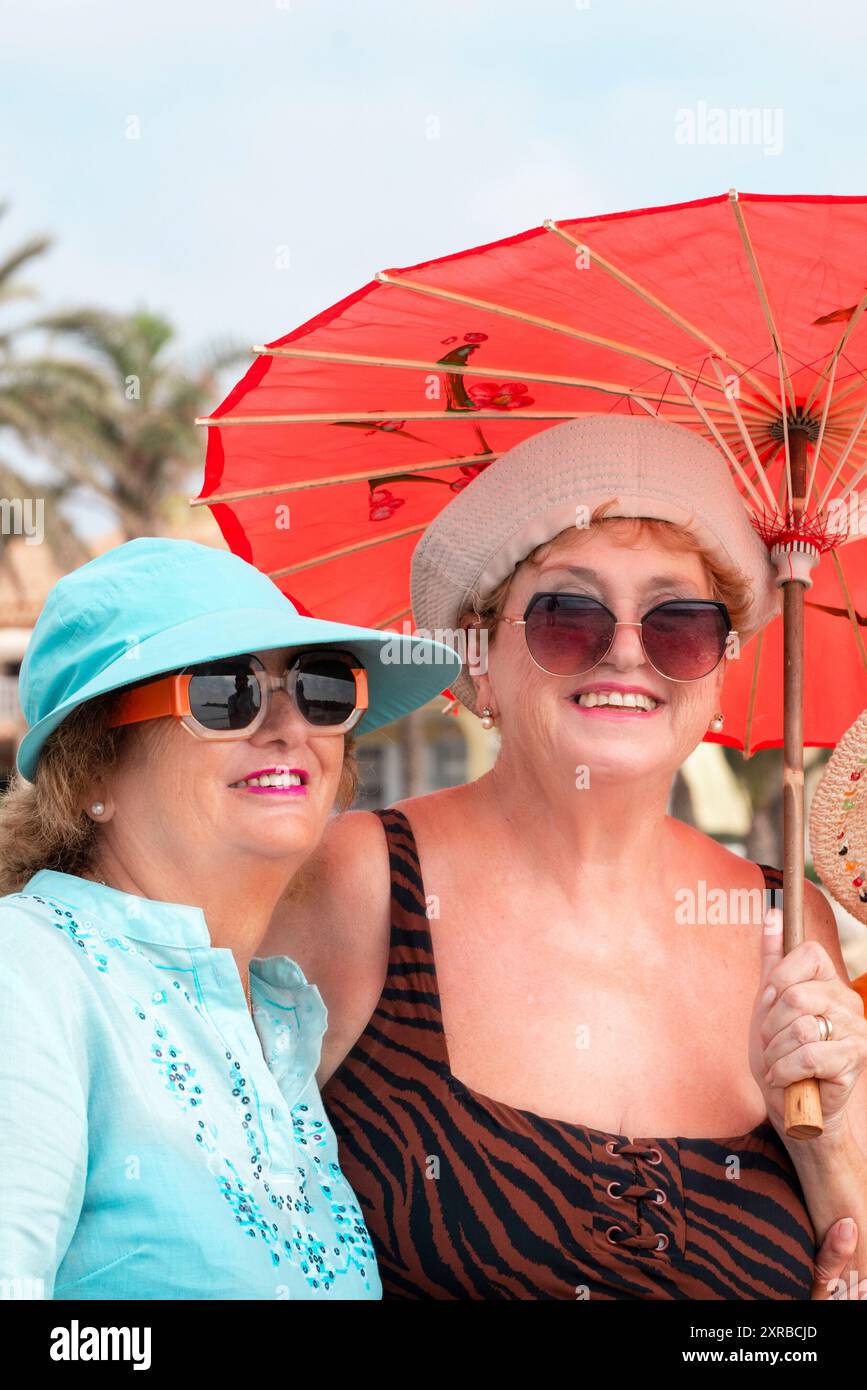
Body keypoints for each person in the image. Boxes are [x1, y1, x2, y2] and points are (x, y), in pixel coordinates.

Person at [264, 415, 867, 1300]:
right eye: (567, 612)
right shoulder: (356, 882)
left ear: (717, 673)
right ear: (476, 663)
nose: (626, 648)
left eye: (679, 622)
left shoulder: (785, 929)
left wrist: (834, 1133)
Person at [0, 537, 460, 1300]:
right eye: (224, 691)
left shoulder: (279, 1016)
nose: (289, 728)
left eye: (319, 689)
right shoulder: (28, 969)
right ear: (93, 768)